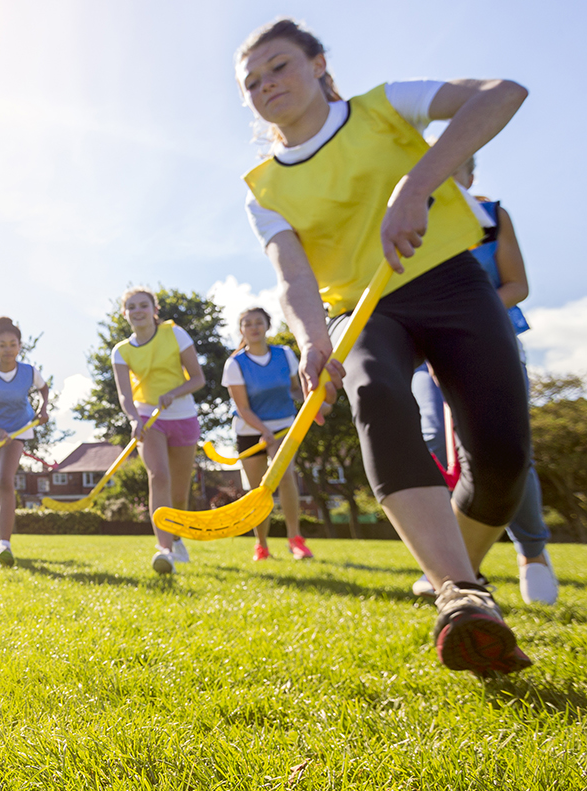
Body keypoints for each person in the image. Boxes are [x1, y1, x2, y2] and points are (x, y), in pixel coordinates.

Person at [238, 18, 533, 674]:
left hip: (451, 282)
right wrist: (315, 339)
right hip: (360, 311)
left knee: (504, 459)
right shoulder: (264, 186)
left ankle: (457, 573)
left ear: (318, 64)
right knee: (376, 394)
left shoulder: (384, 106)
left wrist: (420, 181)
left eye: (279, 67)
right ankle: (461, 594)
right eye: (252, 83)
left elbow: (504, 91)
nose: (266, 86)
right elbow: (292, 274)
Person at [407, 156, 557, 605]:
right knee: (435, 440)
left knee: (503, 448)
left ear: (471, 175)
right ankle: (456, 563)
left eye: (458, 167)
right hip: (426, 355)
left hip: (491, 344)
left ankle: (531, 552)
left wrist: (465, 320)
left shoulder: (492, 218)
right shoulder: (411, 220)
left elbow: (517, 284)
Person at [111, 288, 206, 574]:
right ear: (125, 313)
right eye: (131, 306)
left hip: (183, 415)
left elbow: (198, 379)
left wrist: (174, 393)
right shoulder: (121, 351)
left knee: (179, 492)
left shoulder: (174, 334)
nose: (137, 310)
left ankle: (176, 538)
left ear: (154, 309)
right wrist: (133, 419)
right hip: (148, 418)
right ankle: (164, 550)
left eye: (143, 305)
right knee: (158, 476)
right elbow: (126, 396)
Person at [221, 307, 312, 561]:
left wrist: (312, 400)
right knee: (258, 488)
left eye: (258, 322)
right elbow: (243, 408)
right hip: (250, 430)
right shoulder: (235, 364)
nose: (254, 327)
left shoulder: (285, 355)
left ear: (267, 326)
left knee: (284, 477)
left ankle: (295, 540)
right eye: (247, 323)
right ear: (241, 330)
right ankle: (261, 545)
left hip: (283, 426)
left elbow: (295, 389)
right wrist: (263, 431)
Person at [0, 316, 50, 568]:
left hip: (18, 429)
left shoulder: (29, 371)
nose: (8, 349)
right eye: (2, 345)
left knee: (6, 481)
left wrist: (43, 408)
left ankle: (5, 543)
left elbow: (44, 388)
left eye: (12, 344)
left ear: (19, 345)